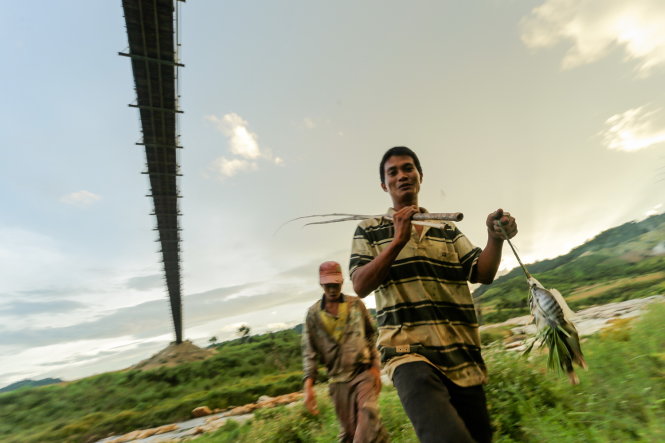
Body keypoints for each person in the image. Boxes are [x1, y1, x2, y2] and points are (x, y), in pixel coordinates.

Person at [349, 146, 518, 443]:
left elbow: (483, 273)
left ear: (420, 176)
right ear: (384, 185)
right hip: (407, 354)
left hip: (462, 354)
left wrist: (494, 236)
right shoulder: (370, 230)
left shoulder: (445, 227)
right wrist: (398, 241)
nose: (402, 175)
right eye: (393, 172)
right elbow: (360, 285)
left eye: (408, 168)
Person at [302, 260, 390, 443]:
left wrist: (375, 369)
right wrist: (308, 386)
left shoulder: (356, 304)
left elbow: (371, 336)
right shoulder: (313, 314)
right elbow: (309, 352)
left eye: (335, 285)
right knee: (350, 432)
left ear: (341, 282)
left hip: (362, 374)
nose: (332, 289)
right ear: (321, 284)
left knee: (368, 414)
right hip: (338, 381)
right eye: (328, 286)